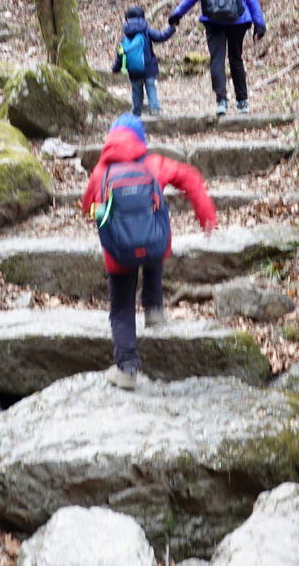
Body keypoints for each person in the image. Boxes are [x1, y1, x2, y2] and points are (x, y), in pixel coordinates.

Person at [82, 114, 215, 390]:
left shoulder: (100, 172)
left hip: (118, 255)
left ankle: (127, 368)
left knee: (120, 308)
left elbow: (87, 206)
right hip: (154, 248)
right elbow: (190, 177)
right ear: (140, 140)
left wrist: (104, 209)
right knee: (153, 241)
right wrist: (204, 212)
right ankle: (154, 308)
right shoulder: (152, 164)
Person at [169, 0, 266, 116]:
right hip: (239, 21)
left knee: (217, 59)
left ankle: (221, 101)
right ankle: (242, 102)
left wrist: (177, 14)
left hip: (213, 21)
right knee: (236, 59)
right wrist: (259, 24)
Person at [112, 5, 175, 116]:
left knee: (136, 90)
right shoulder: (146, 31)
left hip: (133, 70)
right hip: (149, 67)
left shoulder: (125, 37)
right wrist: (172, 28)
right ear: (142, 18)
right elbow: (161, 36)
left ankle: (136, 111)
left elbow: (120, 55)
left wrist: (115, 69)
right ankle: (154, 108)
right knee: (150, 86)